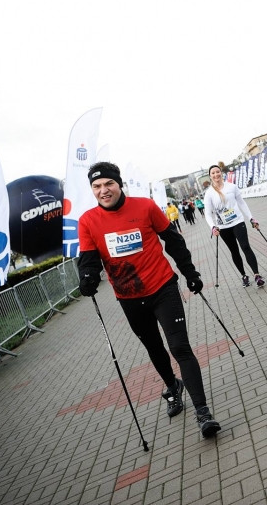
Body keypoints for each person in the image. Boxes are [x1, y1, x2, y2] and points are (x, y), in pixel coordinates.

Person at [76, 162, 221, 438]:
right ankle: (173, 387)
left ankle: (203, 413)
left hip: (162, 287)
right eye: (97, 186)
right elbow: (89, 260)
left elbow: (173, 241)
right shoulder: (87, 221)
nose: (103, 190)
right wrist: (88, 278)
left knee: (179, 347)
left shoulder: (145, 206)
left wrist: (190, 273)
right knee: (155, 349)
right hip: (129, 297)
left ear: (119, 184)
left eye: (109, 183)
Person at [204, 164, 265, 289]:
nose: (216, 174)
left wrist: (251, 218)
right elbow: (208, 214)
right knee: (234, 251)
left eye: (217, 172)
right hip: (223, 227)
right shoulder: (209, 193)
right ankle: (244, 276)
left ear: (221, 173)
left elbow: (241, 203)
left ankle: (257, 275)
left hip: (238, 222)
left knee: (245, 247)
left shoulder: (231, 187)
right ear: (210, 176)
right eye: (213, 173)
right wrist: (213, 227)